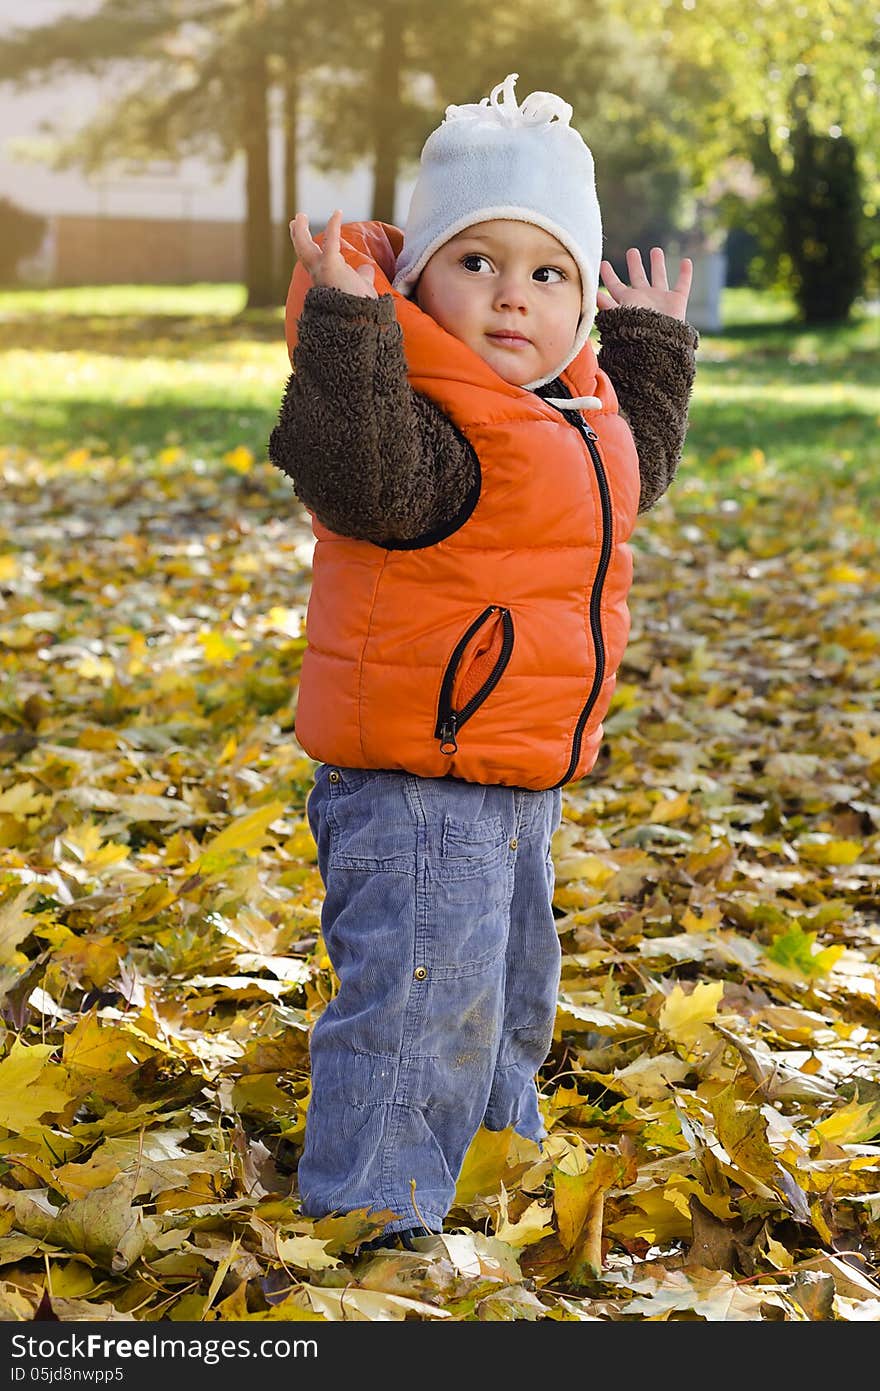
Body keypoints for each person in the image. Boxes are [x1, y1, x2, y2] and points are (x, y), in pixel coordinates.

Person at [268, 72, 698, 1252]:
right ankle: (375, 1221)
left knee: (504, 995)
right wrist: (348, 328)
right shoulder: (424, 423)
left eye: (546, 272)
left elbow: (630, 476)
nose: (512, 295)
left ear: (578, 307)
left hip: (510, 783)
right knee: (420, 1005)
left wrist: (653, 347)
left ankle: (491, 1168)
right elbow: (352, 472)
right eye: (476, 262)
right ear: (416, 280)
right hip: (415, 785)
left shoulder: (562, 412)